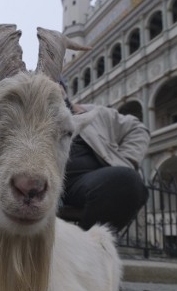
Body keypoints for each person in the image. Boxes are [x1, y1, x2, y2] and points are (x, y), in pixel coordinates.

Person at [60, 82, 150, 232]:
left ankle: (89, 247)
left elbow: (137, 128)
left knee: (126, 180)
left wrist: (126, 160)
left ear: (63, 89)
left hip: (87, 183)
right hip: (49, 181)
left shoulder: (96, 113)